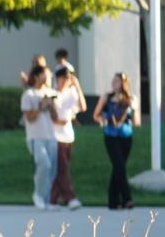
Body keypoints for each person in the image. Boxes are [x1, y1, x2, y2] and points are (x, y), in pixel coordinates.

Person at [93, 73, 137, 210]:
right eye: (113, 81)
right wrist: (105, 119)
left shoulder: (130, 98)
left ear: (124, 83)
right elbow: (96, 115)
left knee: (119, 168)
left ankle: (114, 201)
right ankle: (127, 198)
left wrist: (131, 107)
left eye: (117, 81)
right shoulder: (106, 97)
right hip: (111, 136)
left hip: (126, 136)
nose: (114, 83)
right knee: (119, 166)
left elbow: (136, 120)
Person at [21, 64, 60, 210]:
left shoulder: (50, 92)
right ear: (37, 76)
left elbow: (55, 118)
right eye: (45, 74)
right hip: (35, 137)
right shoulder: (28, 95)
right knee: (44, 164)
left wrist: (51, 106)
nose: (48, 77)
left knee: (52, 170)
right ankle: (38, 194)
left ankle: (47, 200)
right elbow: (29, 118)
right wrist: (41, 106)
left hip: (51, 136)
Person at [50, 67, 85, 210]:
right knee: (62, 168)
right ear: (58, 78)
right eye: (64, 78)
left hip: (68, 136)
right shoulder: (52, 93)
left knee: (61, 169)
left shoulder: (71, 93)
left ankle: (52, 200)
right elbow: (51, 117)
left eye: (68, 78)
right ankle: (71, 198)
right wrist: (60, 121)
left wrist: (77, 86)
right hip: (55, 136)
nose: (66, 81)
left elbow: (82, 107)